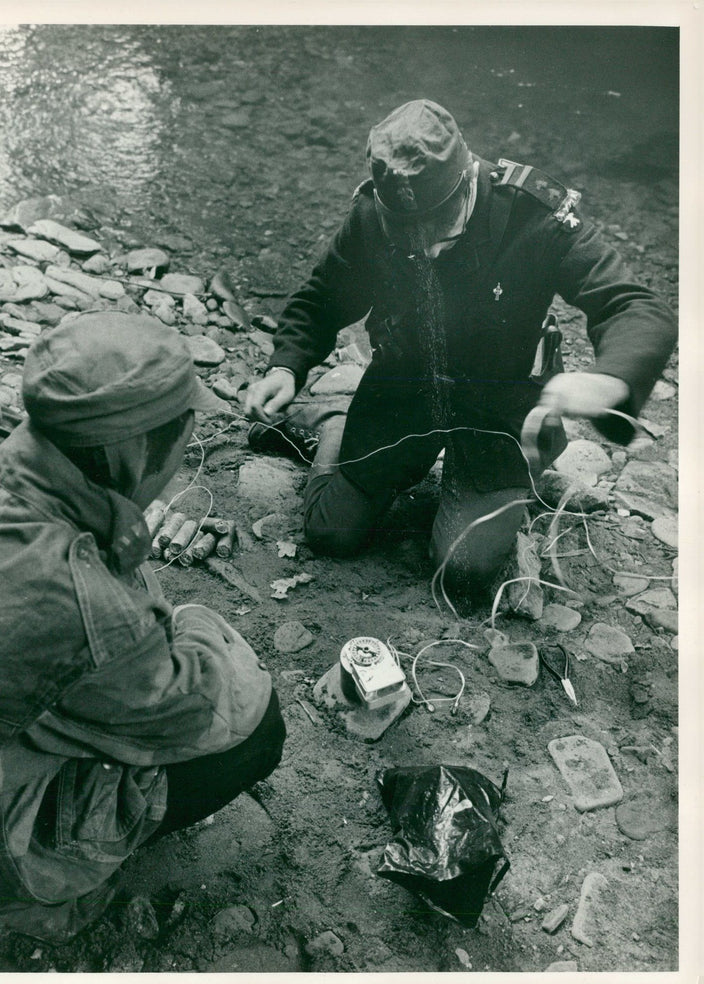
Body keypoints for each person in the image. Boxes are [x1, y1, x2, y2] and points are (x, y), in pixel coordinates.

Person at [245, 98, 676, 605]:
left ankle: (486, 484)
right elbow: (321, 298)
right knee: (330, 534)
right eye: (404, 229)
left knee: (462, 575)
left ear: (467, 179)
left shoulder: (534, 214)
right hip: (403, 387)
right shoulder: (371, 216)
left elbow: (635, 305)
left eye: (435, 221)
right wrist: (286, 364)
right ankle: (338, 426)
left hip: (500, 402)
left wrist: (610, 378)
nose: (423, 245)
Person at [0, 311, 286, 942]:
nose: (187, 449)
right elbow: (204, 711)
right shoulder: (85, 604)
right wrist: (183, 614)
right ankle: (16, 902)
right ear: (135, 449)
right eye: (186, 429)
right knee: (260, 731)